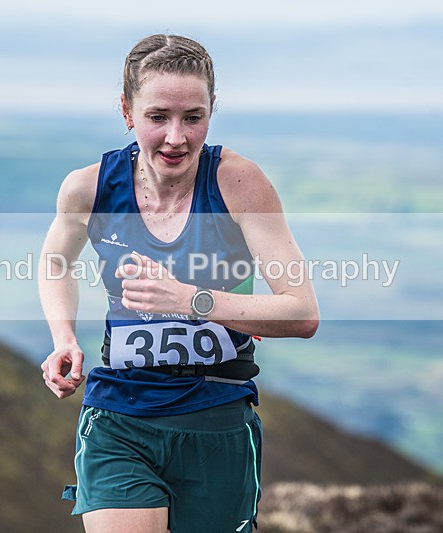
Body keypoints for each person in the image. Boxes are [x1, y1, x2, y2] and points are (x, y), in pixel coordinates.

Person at [39, 34, 319, 533]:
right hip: (118, 413)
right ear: (127, 111)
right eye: (157, 117)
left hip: (217, 418)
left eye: (193, 117)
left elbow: (301, 312)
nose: (176, 137)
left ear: (213, 111)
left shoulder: (238, 183)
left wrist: (192, 300)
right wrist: (63, 338)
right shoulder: (90, 187)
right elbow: (55, 260)